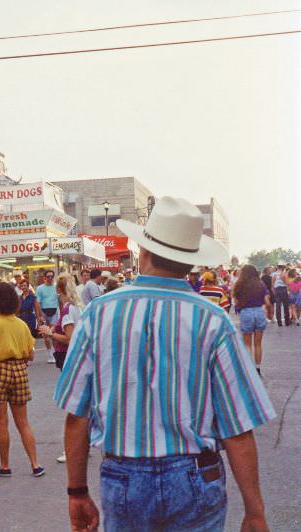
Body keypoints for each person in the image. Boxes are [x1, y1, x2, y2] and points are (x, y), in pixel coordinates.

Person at [54, 197, 275, 532]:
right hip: (196, 476)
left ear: (143, 251)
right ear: (189, 262)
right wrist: (254, 512)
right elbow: (238, 428)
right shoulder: (212, 320)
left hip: (123, 477)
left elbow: (77, 415)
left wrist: (77, 491)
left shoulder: (98, 313)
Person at [0, 282, 44, 478]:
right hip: (19, 370)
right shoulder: (22, 325)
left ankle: (5, 465)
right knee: (23, 421)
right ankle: (35, 464)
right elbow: (30, 355)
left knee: (1, 422)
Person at [38, 273, 83, 464]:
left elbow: (69, 338)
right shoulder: (76, 307)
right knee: (78, 403)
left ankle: (73, 447)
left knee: (72, 404)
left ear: (59, 290)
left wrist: (50, 333)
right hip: (75, 357)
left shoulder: (67, 310)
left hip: (68, 357)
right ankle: (81, 444)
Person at [233, 265, 271, 376]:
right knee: (258, 343)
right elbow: (267, 302)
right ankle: (258, 368)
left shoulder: (239, 285)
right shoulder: (260, 285)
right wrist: (268, 312)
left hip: (246, 313)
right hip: (259, 312)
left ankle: (249, 369)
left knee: (247, 344)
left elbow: (236, 302)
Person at [35, 270, 59, 364]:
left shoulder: (56, 287)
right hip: (44, 311)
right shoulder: (40, 288)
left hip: (54, 311)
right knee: (45, 335)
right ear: (44, 278)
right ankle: (50, 354)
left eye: (51, 276)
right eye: (48, 276)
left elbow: (60, 300)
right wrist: (40, 315)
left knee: (53, 333)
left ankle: (55, 353)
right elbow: (38, 303)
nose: (50, 278)